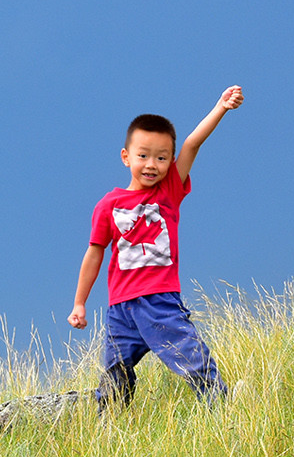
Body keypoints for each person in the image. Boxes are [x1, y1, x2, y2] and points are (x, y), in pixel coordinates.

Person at [68, 85, 244, 410]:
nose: (152, 164)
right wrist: (80, 303)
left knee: (188, 355)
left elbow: (192, 143)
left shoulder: (168, 192)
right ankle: (109, 426)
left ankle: (220, 404)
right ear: (126, 157)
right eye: (143, 156)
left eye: (162, 158)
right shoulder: (108, 205)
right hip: (120, 309)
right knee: (114, 373)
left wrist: (221, 106)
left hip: (159, 301)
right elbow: (94, 253)